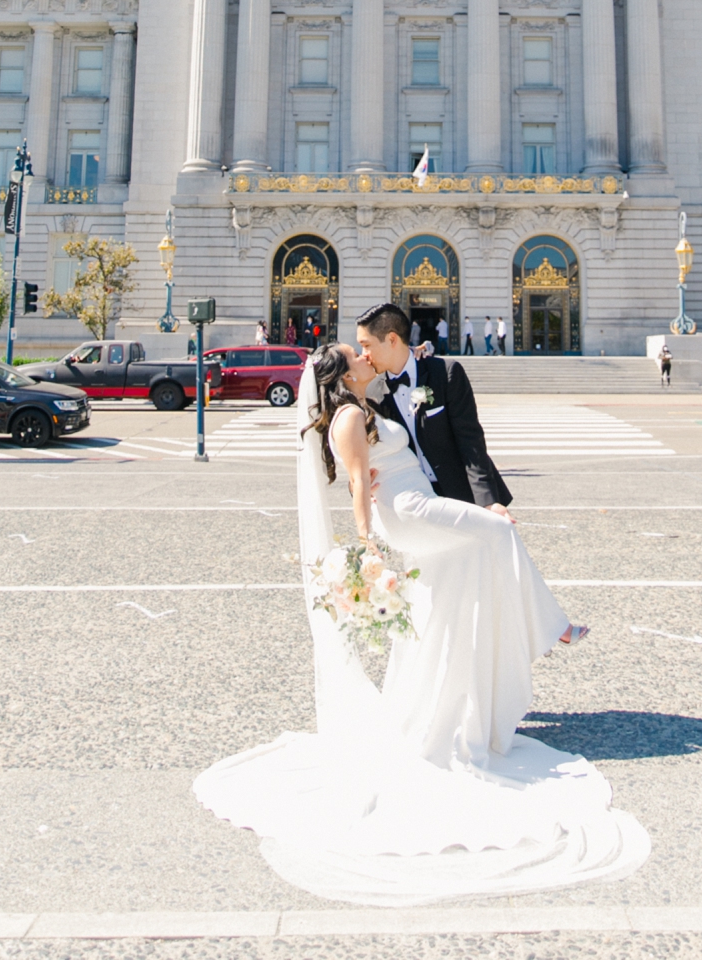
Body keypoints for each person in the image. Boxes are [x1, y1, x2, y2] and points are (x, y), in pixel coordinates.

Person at [193, 340, 649, 905]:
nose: (366, 358)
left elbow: (381, 461)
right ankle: (549, 626)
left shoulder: (365, 408)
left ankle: (482, 664)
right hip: (407, 514)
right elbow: (359, 484)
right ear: (341, 373)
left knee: (477, 559)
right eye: (355, 355)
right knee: (497, 532)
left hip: (410, 504)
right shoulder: (351, 417)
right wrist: (364, 548)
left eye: (366, 349)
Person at [357, 302, 512, 512]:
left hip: (462, 495)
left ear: (392, 339)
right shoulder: (374, 394)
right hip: (412, 502)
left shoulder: (446, 373)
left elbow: (471, 441)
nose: (363, 354)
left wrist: (487, 501)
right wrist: (361, 487)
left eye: (367, 345)